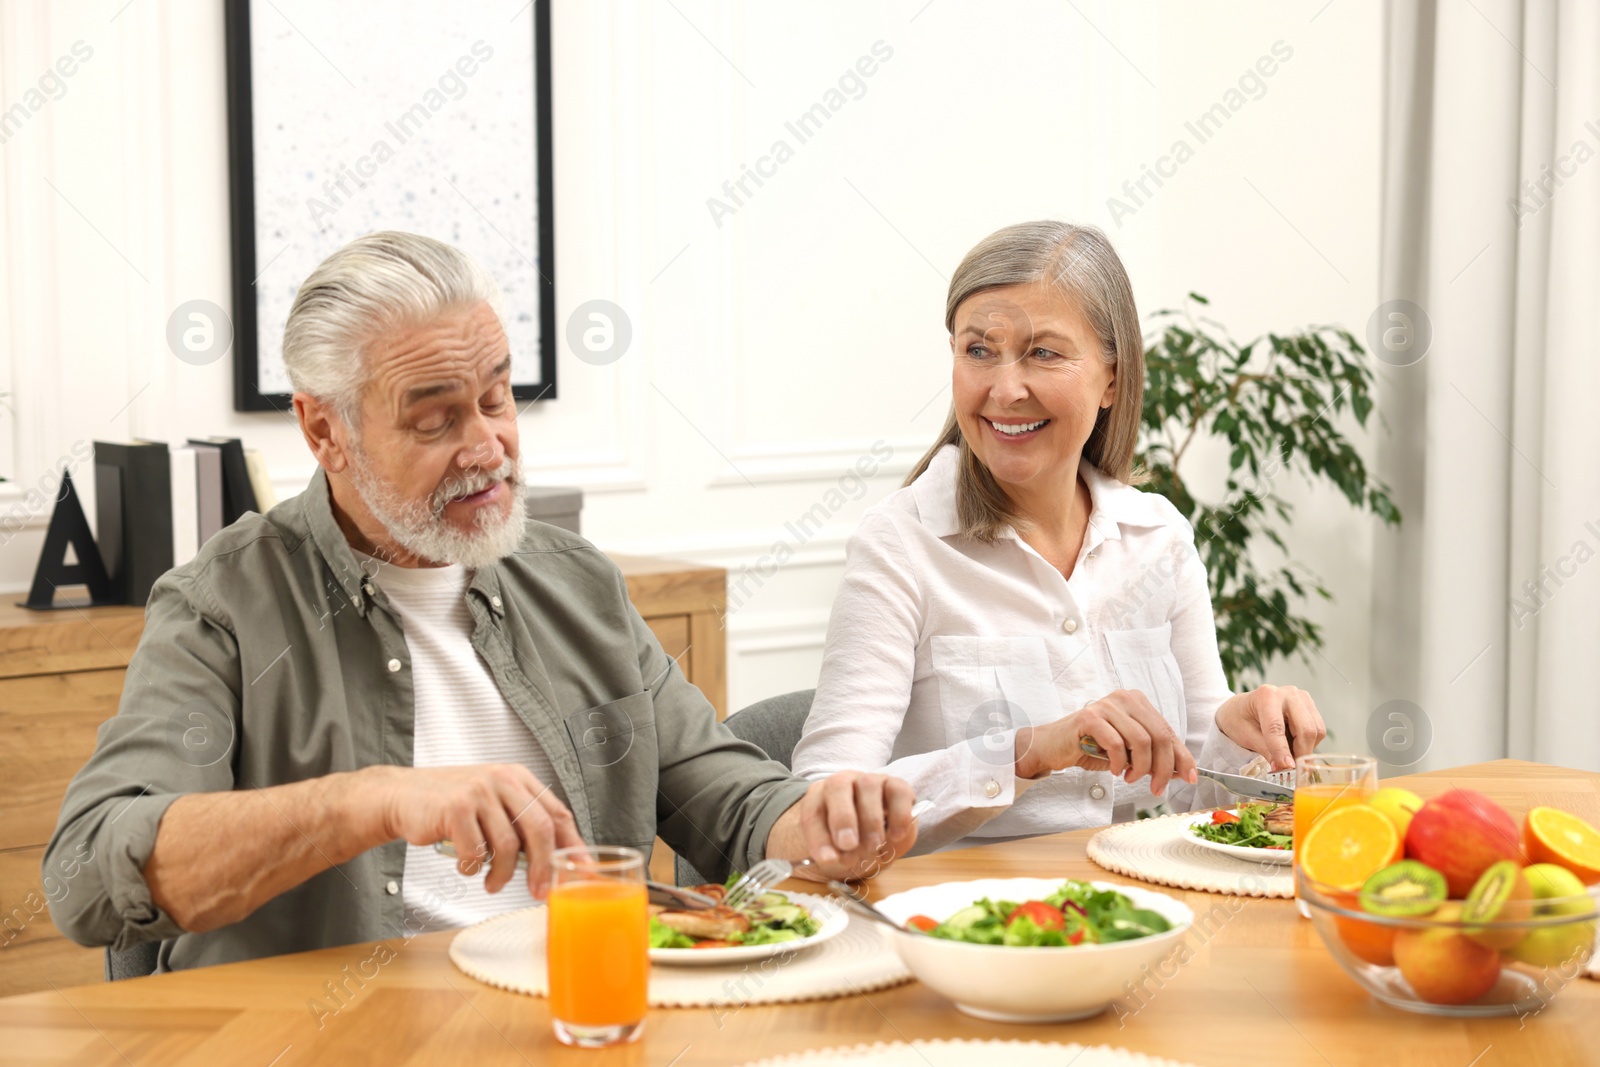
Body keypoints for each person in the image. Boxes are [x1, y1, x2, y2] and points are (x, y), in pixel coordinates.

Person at [44, 232, 916, 972]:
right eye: (434, 420)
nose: (486, 446)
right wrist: (375, 800)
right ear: (324, 432)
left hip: (580, 1011)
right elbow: (87, 873)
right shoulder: (221, 606)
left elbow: (723, 800)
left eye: (497, 397)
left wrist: (814, 822)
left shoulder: (576, 581)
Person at [791, 220, 1325, 853]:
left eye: (1044, 353)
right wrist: (1025, 753)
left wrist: (1237, 733)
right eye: (978, 351)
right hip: (959, 929)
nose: (1005, 388)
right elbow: (821, 802)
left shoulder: (1158, 537)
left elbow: (1195, 798)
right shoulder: (901, 545)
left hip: (1138, 913)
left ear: (1112, 381)